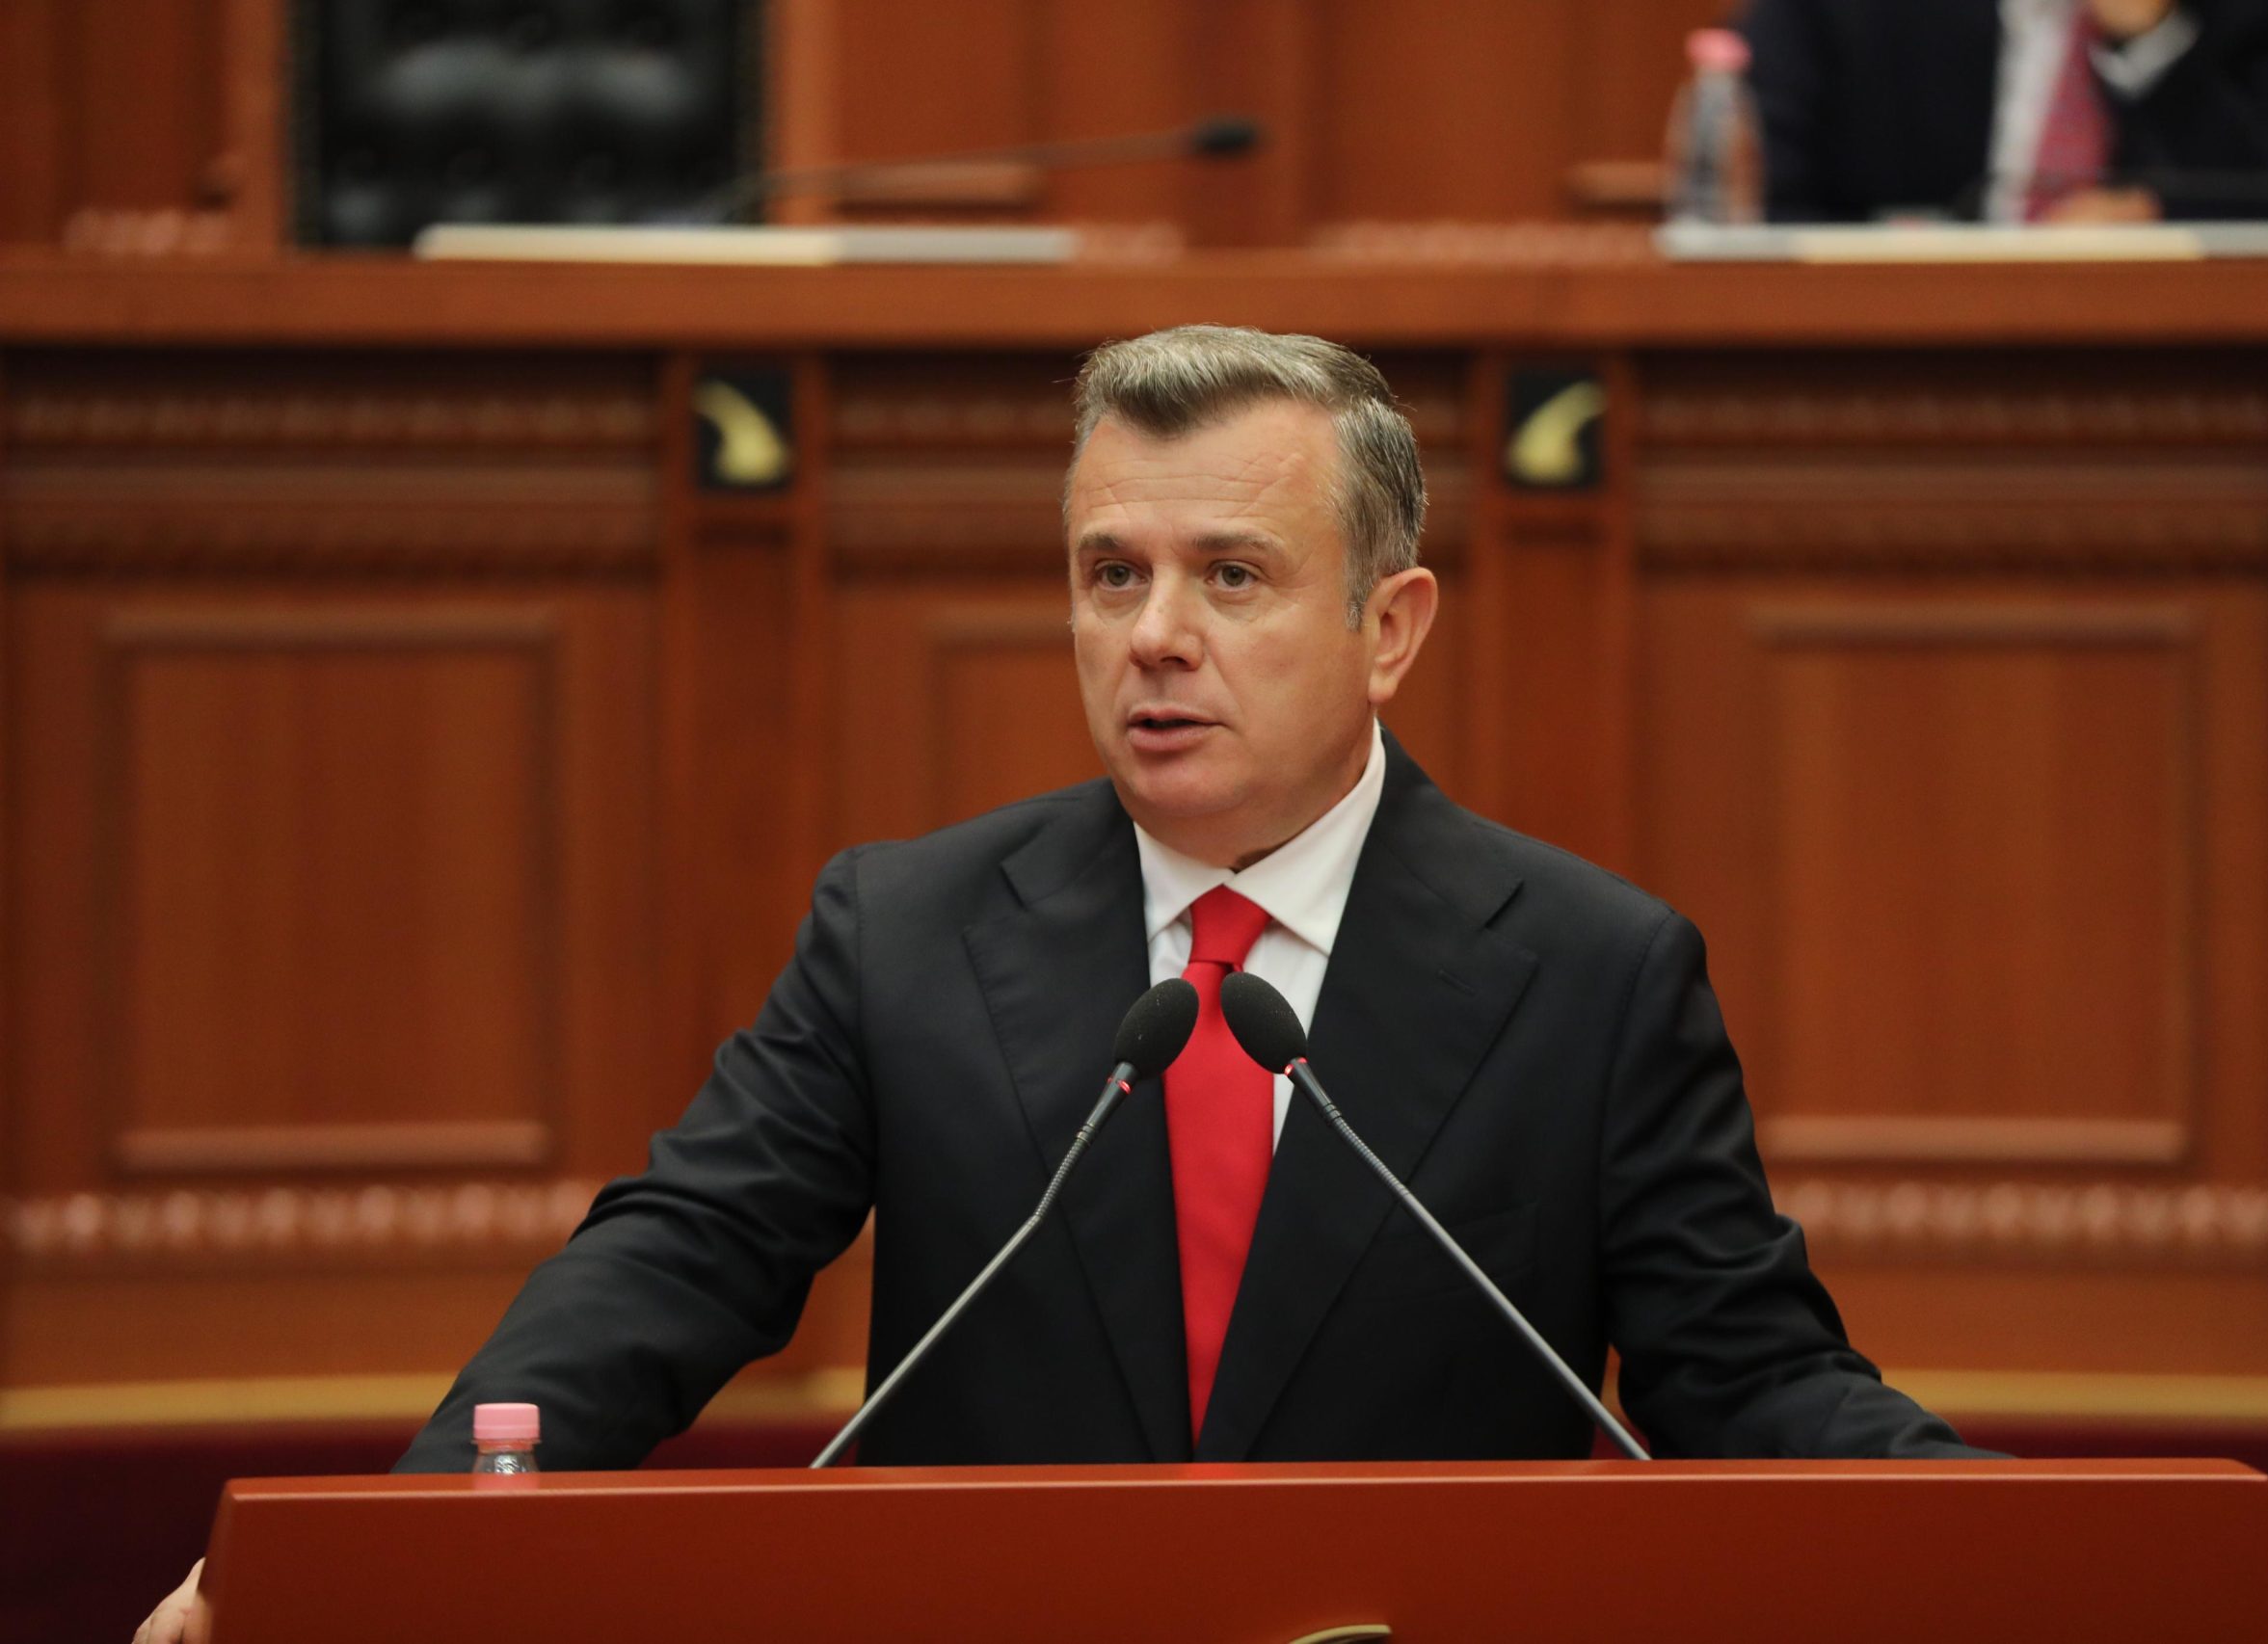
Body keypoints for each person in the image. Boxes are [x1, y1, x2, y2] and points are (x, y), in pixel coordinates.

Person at [136, 326, 1979, 1642]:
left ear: (1388, 628)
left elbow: (1748, 1376)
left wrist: (2007, 1541)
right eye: (1112, 573)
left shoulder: (1588, 968)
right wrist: (391, 1548)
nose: (1154, 637)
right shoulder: (908, 926)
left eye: (1231, 576)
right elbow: (680, 1258)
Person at [1736, 0, 2268, 229]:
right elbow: (1756, 203)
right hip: (1906, 364)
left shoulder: (2267, 11)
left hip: (2175, 368)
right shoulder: (1836, 12)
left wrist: (2151, 44)